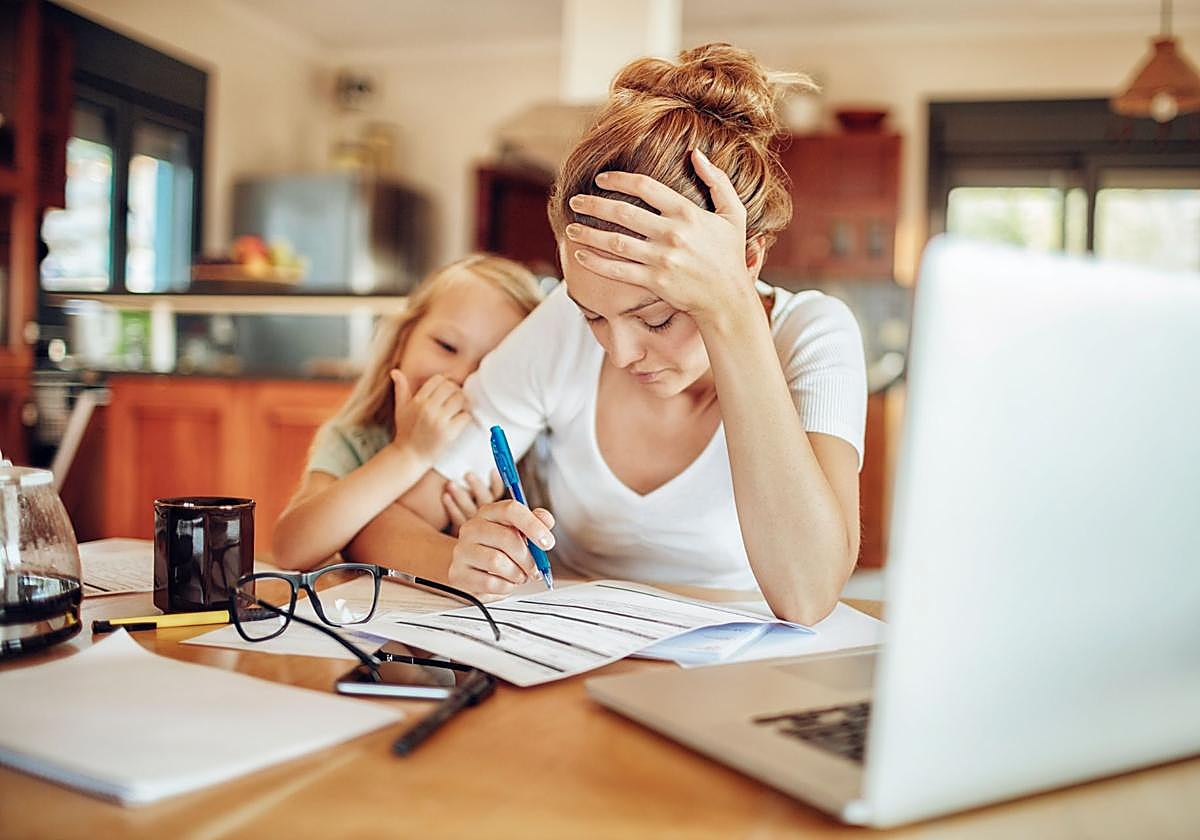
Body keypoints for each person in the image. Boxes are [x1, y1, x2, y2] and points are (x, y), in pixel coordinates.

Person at [349, 44, 867, 625]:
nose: (619, 353)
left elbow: (808, 595)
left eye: (656, 318)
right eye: (593, 315)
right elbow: (384, 522)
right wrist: (460, 560)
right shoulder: (559, 330)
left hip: (739, 673)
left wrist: (734, 318)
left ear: (746, 260)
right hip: (573, 655)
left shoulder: (812, 335)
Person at [272, 254, 545, 571]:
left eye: (489, 367)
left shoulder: (525, 454)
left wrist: (477, 535)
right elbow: (290, 549)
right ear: (403, 339)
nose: (461, 375)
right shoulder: (357, 437)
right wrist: (409, 452)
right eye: (446, 345)